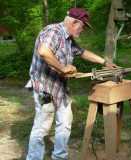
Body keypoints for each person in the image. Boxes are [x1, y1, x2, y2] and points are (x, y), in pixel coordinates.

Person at [26, 8, 117, 160]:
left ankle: (59, 157)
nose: (82, 31)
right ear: (74, 22)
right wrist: (62, 68)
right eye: (82, 27)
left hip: (60, 88)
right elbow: (43, 51)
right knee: (42, 127)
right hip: (45, 88)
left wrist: (105, 62)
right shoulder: (53, 31)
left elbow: (82, 52)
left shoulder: (68, 38)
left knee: (65, 122)